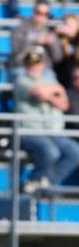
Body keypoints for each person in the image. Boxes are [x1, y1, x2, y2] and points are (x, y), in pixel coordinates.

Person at [14, 46, 79, 192]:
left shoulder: (51, 79)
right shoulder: (21, 80)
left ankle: (47, 183)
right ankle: (33, 179)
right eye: (30, 63)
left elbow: (63, 104)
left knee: (75, 152)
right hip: (30, 130)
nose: (34, 67)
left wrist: (53, 92)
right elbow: (39, 93)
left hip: (52, 131)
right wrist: (55, 91)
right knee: (51, 151)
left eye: (37, 63)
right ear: (25, 65)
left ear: (42, 64)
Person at [11, 1, 62, 74]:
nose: (42, 16)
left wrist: (52, 44)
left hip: (44, 70)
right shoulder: (21, 28)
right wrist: (34, 41)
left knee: (52, 79)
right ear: (33, 12)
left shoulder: (51, 31)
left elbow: (57, 58)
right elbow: (15, 51)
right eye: (39, 13)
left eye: (46, 14)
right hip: (23, 68)